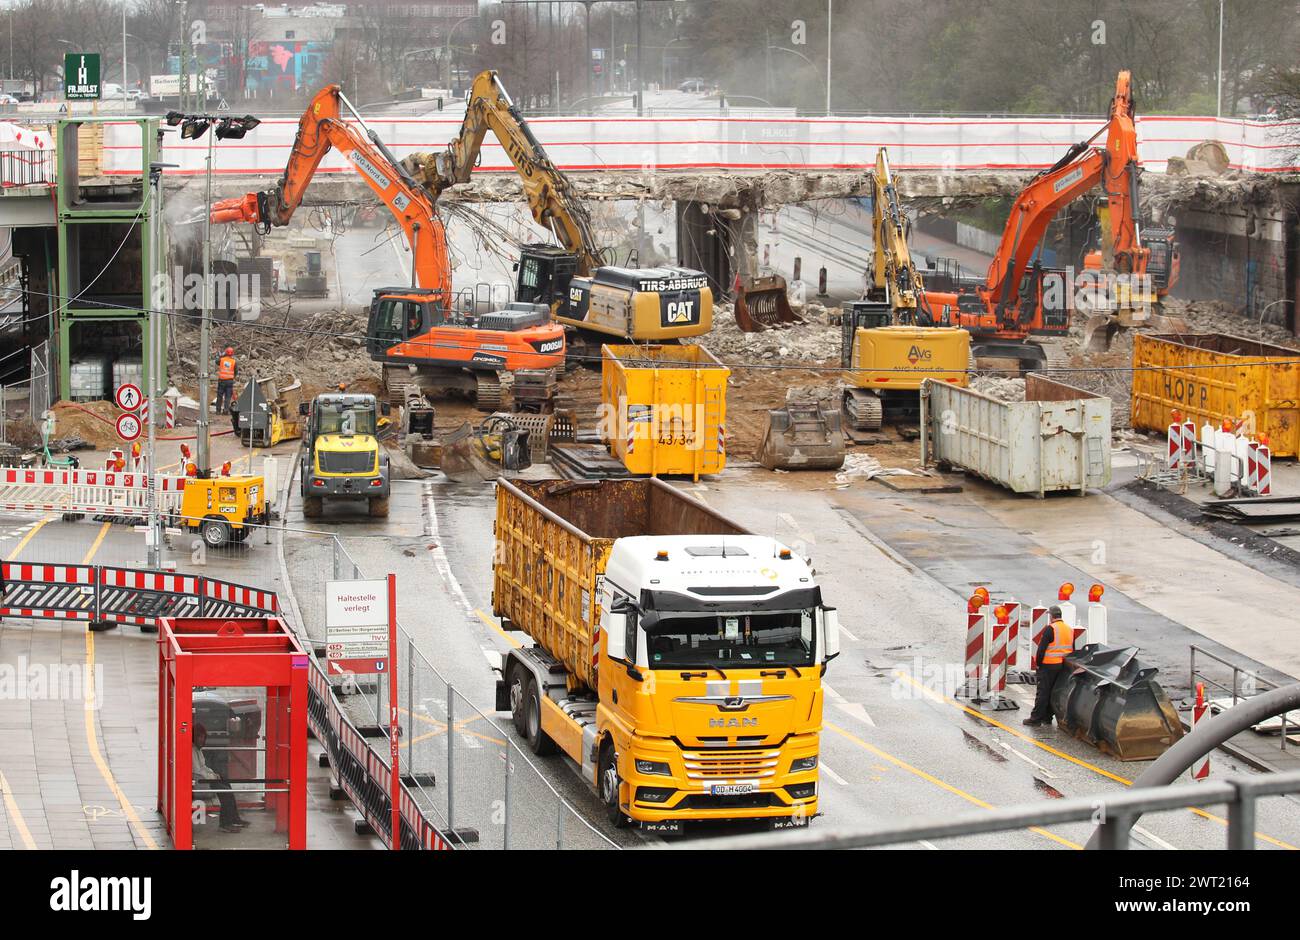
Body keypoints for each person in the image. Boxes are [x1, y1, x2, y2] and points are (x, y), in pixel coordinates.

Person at [1023, 605, 1074, 727]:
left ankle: (1035, 719)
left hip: (1048, 665)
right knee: (1053, 692)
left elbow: (1041, 649)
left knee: (1043, 692)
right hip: (1062, 666)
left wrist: (1039, 664)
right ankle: (1047, 717)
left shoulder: (1050, 629)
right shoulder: (1069, 629)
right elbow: (1073, 649)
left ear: (1051, 616)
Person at [193, 724, 248, 833]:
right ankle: (225, 823)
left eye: (203, 737)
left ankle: (234, 818)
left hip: (206, 778)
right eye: (199, 737)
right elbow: (197, 771)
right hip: (201, 781)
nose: (201, 739)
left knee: (227, 785)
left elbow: (203, 767)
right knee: (226, 793)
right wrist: (213, 776)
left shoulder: (197, 749)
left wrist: (214, 774)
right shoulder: (192, 750)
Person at [215, 347, 237, 414]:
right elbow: (236, 371)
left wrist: (221, 355)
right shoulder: (234, 362)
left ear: (226, 352)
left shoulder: (222, 360)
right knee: (228, 397)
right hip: (229, 381)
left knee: (219, 396)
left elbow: (216, 361)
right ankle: (225, 411)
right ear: (232, 353)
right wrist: (233, 377)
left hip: (222, 381)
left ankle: (218, 411)